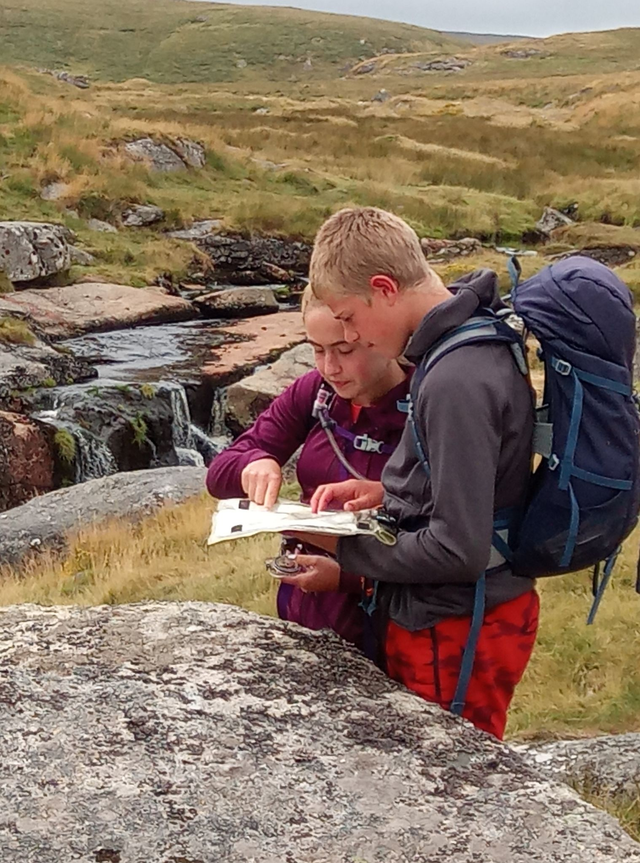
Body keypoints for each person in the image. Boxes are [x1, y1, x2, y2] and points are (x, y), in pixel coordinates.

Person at [293, 206, 538, 739]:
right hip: (448, 617)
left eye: (349, 318)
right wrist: (391, 491)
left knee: (453, 785)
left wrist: (339, 546)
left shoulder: (455, 378)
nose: (351, 334)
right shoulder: (463, 343)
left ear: (384, 288)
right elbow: (470, 481)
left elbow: (459, 549)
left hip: (454, 625)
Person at [206, 288, 411, 651]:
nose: (330, 367)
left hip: (393, 628)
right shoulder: (317, 392)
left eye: (344, 350)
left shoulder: (426, 402)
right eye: (317, 349)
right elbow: (219, 474)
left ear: (381, 336)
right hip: (303, 614)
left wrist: (351, 579)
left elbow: (445, 541)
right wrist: (254, 462)